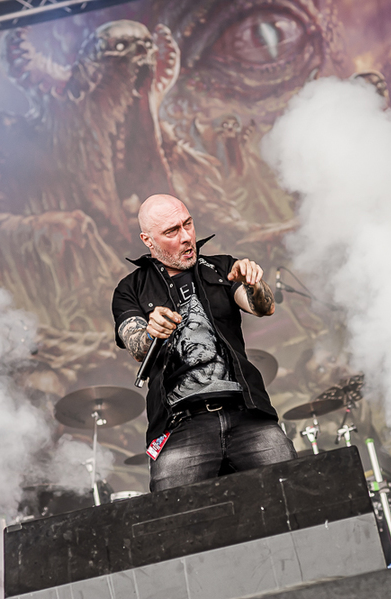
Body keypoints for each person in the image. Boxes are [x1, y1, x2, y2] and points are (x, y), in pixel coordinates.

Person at [112, 194, 296, 491]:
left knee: (289, 491)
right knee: (175, 511)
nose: (186, 237)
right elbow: (135, 344)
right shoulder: (130, 289)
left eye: (188, 224)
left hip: (246, 412)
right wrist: (150, 332)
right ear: (148, 240)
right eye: (172, 231)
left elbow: (263, 307)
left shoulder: (220, 267)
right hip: (179, 424)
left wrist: (254, 283)